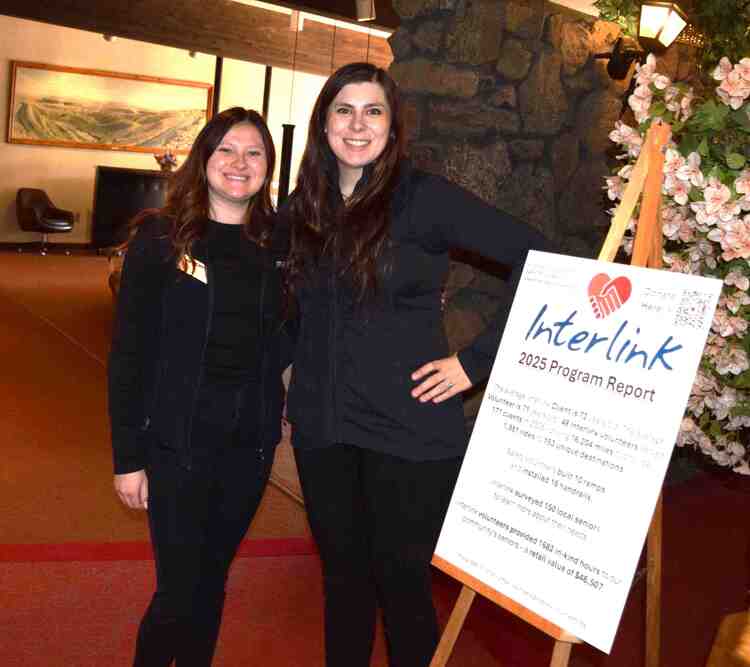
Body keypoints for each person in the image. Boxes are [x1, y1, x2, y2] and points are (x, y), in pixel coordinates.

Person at [281, 62, 554, 667]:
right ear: (324, 123)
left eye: (372, 111)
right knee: (343, 582)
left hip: (407, 427)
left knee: (401, 586)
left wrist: (475, 363)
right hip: (323, 427)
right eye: (344, 110)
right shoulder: (305, 205)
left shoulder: (423, 197)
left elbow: (543, 257)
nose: (357, 124)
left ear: (392, 126)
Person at [108, 107, 290, 666]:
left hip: (249, 445)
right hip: (177, 443)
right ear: (205, 158)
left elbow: (293, 332)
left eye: (254, 153)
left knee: (211, 582)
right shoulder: (161, 239)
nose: (240, 162)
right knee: (177, 591)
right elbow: (129, 354)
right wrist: (128, 457)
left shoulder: (280, 244)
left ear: (268, 167)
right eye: (227, 150)